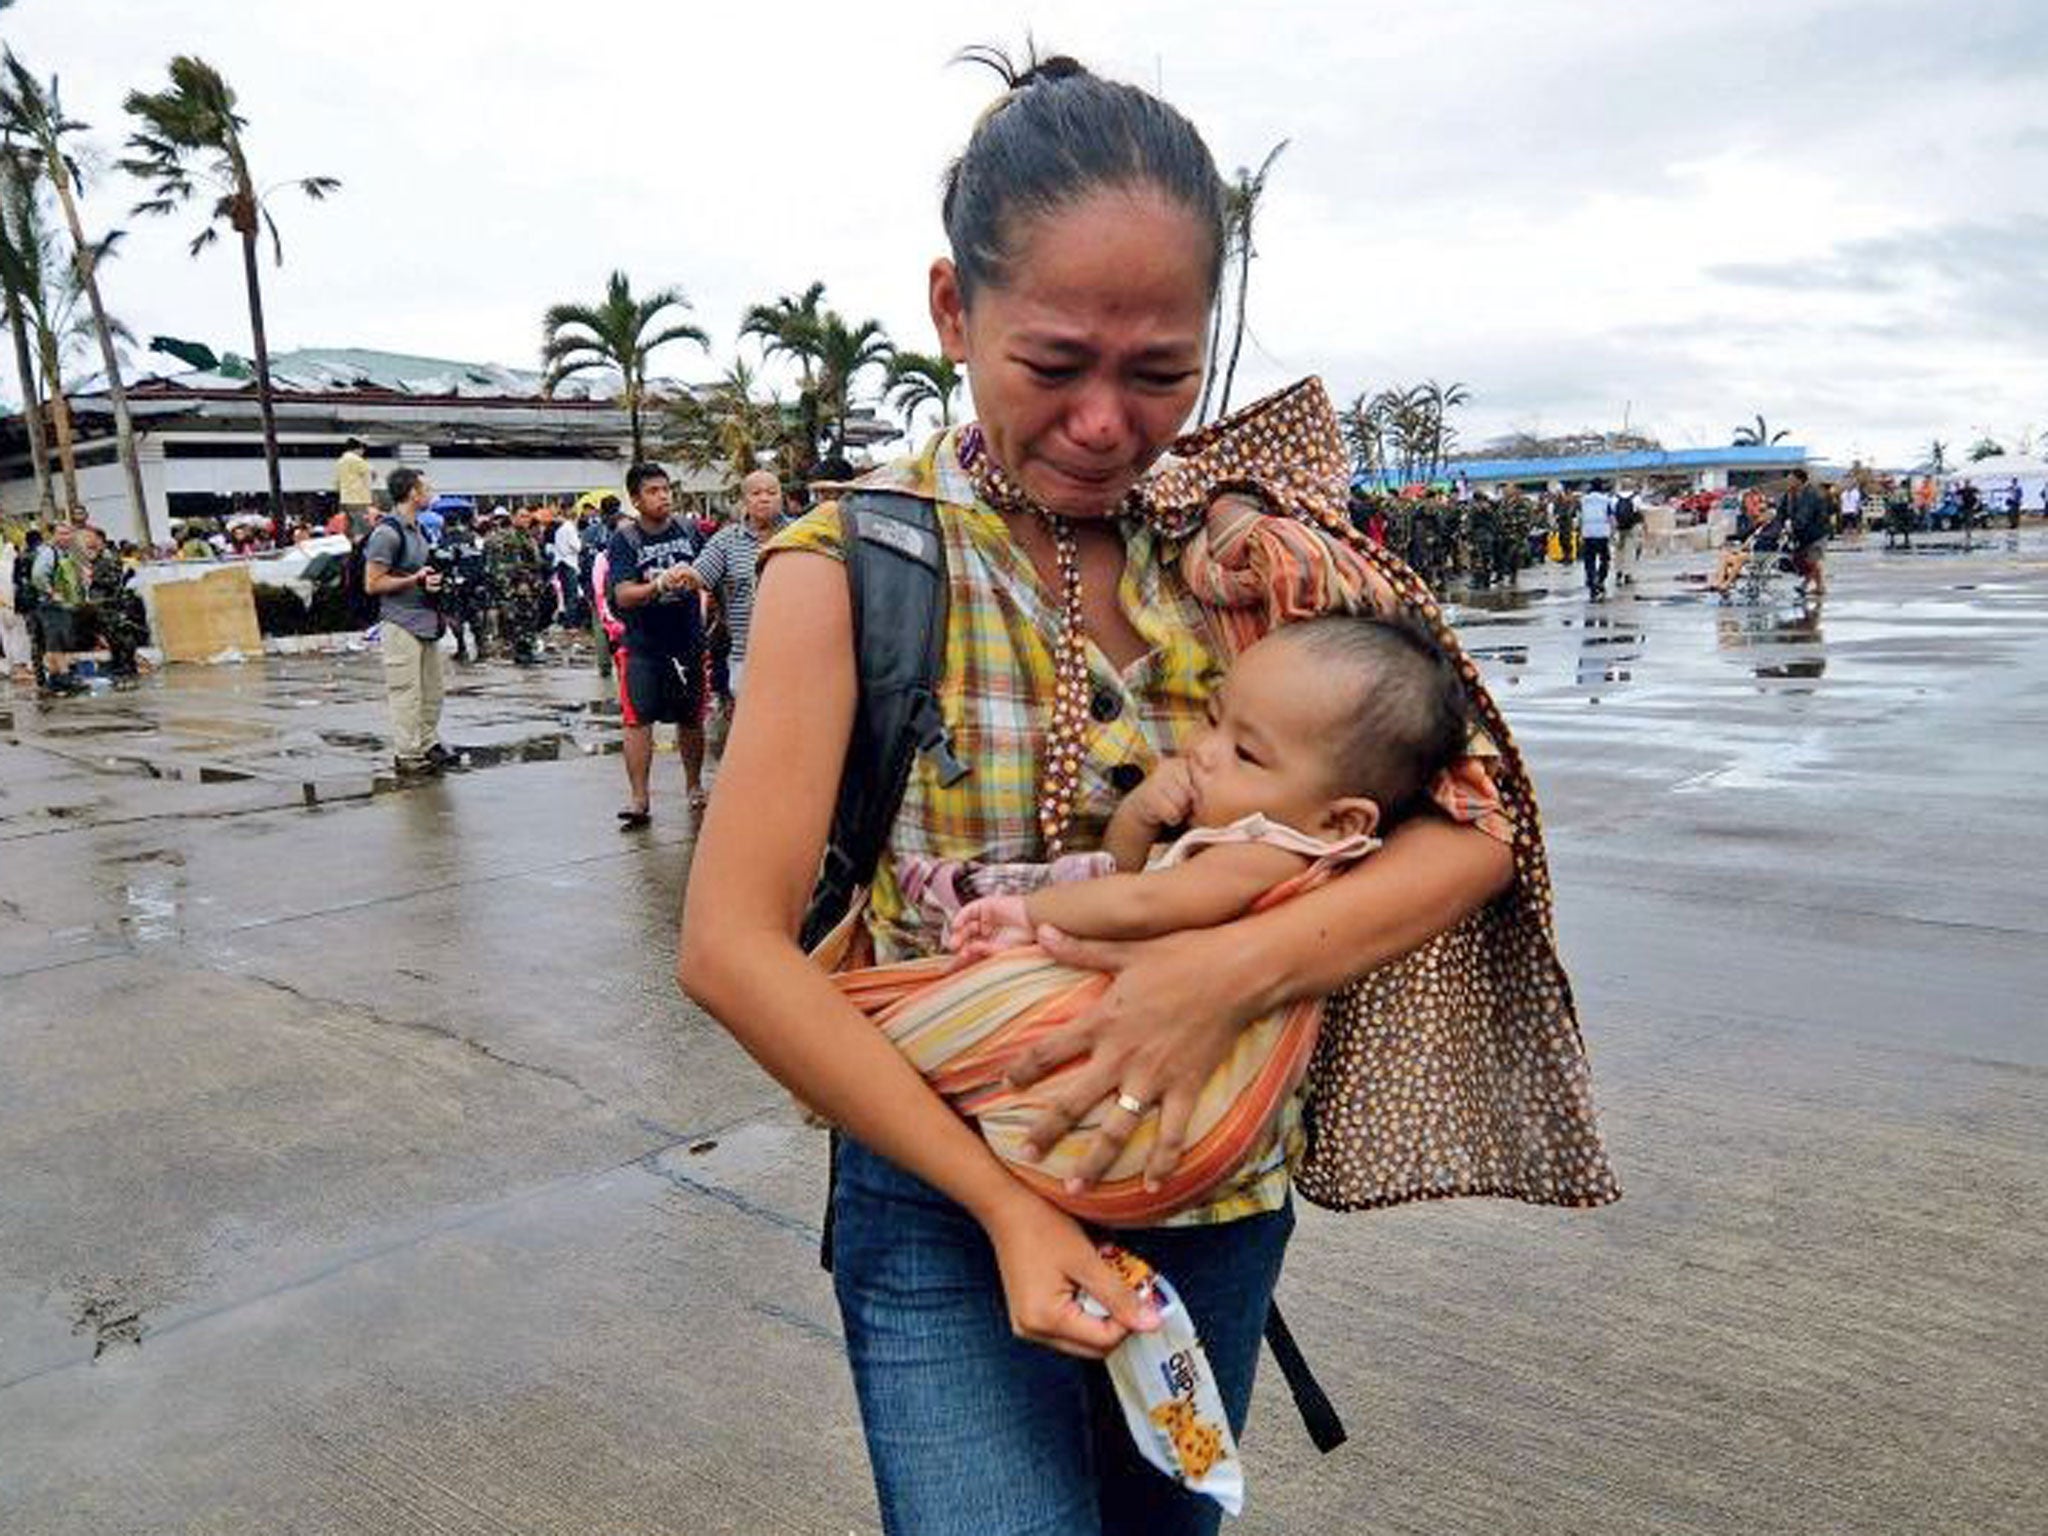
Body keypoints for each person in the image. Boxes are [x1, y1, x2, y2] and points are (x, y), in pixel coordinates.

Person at [678, 52, 1611, 1536]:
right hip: (941, 1199)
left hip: (1217, 1205)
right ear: (950, 311)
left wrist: (1221, 971)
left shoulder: (1261, 556)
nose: (1110, 422)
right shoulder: (848, 568)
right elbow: (729, 946)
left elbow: (1477, 832)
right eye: (1054, 363)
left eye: (1161, 372)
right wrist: (1005, 1207)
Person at [857, 614, 1473, 1225]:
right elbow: (1132, 885)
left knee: (888, 1028)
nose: (1203, 752)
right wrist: (1137, 818)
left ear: (1342, 822)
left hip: (1134, 1123)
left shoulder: (1269, 855)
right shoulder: (1255, 836)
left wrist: (1024, 910)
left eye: (1245, 753)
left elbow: (1138, 906)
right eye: (1212, 717)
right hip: (1146, 1124)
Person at [606, 463, 708, 824]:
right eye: (653, 491)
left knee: (691, 718)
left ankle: (694, 787)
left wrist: (714, 610)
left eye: (666, 489)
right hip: (644, 645)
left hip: (688, 641)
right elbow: (622, 595)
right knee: (637, 722)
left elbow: (713, 572)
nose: (663, 496)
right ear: (635, 499)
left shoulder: (690, 529)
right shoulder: (625, 540)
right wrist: (658, 585)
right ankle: (639, 799)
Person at [363, 467, 450, 779]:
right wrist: (414, 579)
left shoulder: (418, 530)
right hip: (400, 622)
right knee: (406, 692)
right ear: (413, 493)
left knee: (432, 690)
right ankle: (408, 753)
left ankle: (427, 743)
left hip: (426, 619)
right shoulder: (387, 533)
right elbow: (372, 583)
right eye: (425, 487)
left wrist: (431, 581)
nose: (429, 492)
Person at [670, 468, 782, 701]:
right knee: (751, 727)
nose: (764, 498)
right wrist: (684, 575)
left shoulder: (801, 534)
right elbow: (701, 574)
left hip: (796, 656)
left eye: (772, 492)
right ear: (744, 501)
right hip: (745, 654)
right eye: (756, 493)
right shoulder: (726, 540)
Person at [79, 525, 144, 679]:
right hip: (100, 608)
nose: (86, 542)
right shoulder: (93, 559)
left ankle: (126, 671)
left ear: (99, 540)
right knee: (112, 642)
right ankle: (121, 670)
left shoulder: (108, 559)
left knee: (120, 641)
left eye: (89, 538)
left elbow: (113, 581)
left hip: (110, 606)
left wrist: (91, 578)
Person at [1780, 467, 1831, 597]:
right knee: (1808, 561)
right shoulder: (1789, 494)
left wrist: (1793, 526)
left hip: (1817, 532)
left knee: (1812, 560)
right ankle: (1820, 587)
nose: (1789, 482)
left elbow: (1804, 515)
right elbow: (1781, 512)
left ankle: (1805, 585)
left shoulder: (1811, 494)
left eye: (1791, 479)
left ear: (1799, 480)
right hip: (1802, 534)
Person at [334, 438, 375, 545]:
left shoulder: (340, 461)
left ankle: (350, 550)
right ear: (358, 448)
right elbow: (371, 475)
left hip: (345, 499)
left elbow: (336, 482)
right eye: (362, 449)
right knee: (362, 529)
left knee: (349, 529)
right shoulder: (358, 461)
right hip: (359, 499)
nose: (363, 452)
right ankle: (360, 552)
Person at [1578, 478, 1613, 599]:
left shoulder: (1584, 500)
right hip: (1602, 534)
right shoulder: (1606, 499)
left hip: (1588, 534)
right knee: (1605, 559)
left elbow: (1580, 516)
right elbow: (1611, 516)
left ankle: (1592, 583)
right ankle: (1600, 580)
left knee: (1589, 561)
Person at [1610, 483, 1644, 587]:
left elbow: (1612, 513)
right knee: (1630, 551)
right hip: (1632, 527)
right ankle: (1628, 575)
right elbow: (1640, 511)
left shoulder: (1614, 498)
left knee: (1619, 552)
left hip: (1619, 527)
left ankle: (1618, 574)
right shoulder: (1636, 497)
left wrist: (1613, 528)